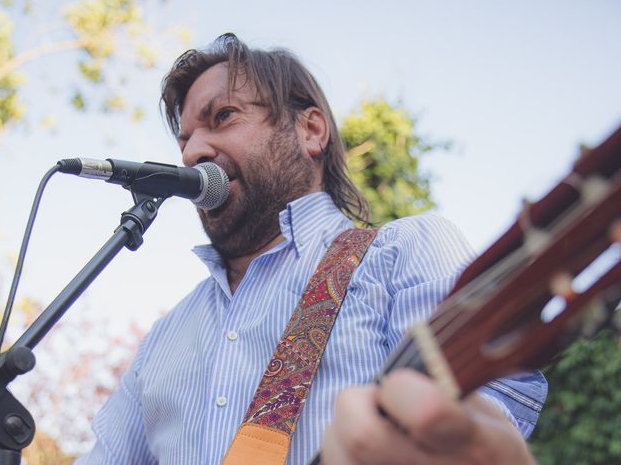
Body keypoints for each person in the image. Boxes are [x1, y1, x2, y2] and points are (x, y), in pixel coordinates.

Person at [76, 33, 546, 464]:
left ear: (311, 131)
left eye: (222, 117)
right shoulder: (162, 341)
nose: (193, 151)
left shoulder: (403, 253)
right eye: (185, 138)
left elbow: (480, 419)